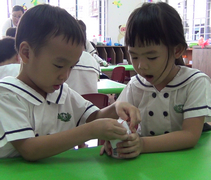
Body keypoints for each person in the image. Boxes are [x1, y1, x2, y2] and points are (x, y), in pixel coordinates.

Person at [0, 4, 141, 161]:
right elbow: (30, 149)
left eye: (71, 67)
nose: (65, 75)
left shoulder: (61, 92)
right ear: (26, 53)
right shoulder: (8, 94)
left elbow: (94, 116)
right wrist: (90, 131)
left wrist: (116, 107)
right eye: (59, 66)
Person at [100, 2, 211, 159]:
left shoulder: (195, 82)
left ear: (177, 50)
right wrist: (117, 141)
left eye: (151, 57)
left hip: (184, 164)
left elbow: (190, 135)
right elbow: (121, 124)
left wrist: (143, 144)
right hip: (144, 166)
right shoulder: (135, 85)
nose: (140, 66)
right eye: (134, 56)